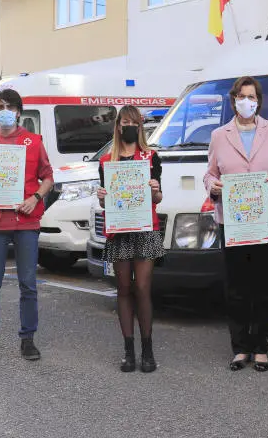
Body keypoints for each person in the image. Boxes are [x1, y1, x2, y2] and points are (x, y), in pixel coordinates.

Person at [203, 76, 268, 372]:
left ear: (259, 101)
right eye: (241, 96)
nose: (246, 101)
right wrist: (213, 185)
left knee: (264, 285)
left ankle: (261, 346)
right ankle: (240, 347)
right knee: (237, 286)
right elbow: (210, 173)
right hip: (234, 221)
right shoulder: (219, 135)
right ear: (233, 100)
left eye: (251, 97)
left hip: (266, 219)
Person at [0, 89, 54, 363]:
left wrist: (35, 197)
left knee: (28, 283)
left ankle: (28, 339)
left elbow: (48, 177)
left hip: (26, 221)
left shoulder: (33, 142)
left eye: (9, 106)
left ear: (18, 112)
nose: (3, 111)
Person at [96, 105, 165, 373]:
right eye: (125, 122)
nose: (129, 127)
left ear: (140, 127)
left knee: (143, 288)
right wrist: (102, 198)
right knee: (124, 288)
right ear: (118, 126)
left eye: (134, 123)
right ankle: (128, 351)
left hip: (145, 228)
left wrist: (155, 190)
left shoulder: (150, 157)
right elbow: (106, 203)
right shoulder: (107, 162)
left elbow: (158, 197)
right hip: (120, 230)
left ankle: (147, 349)